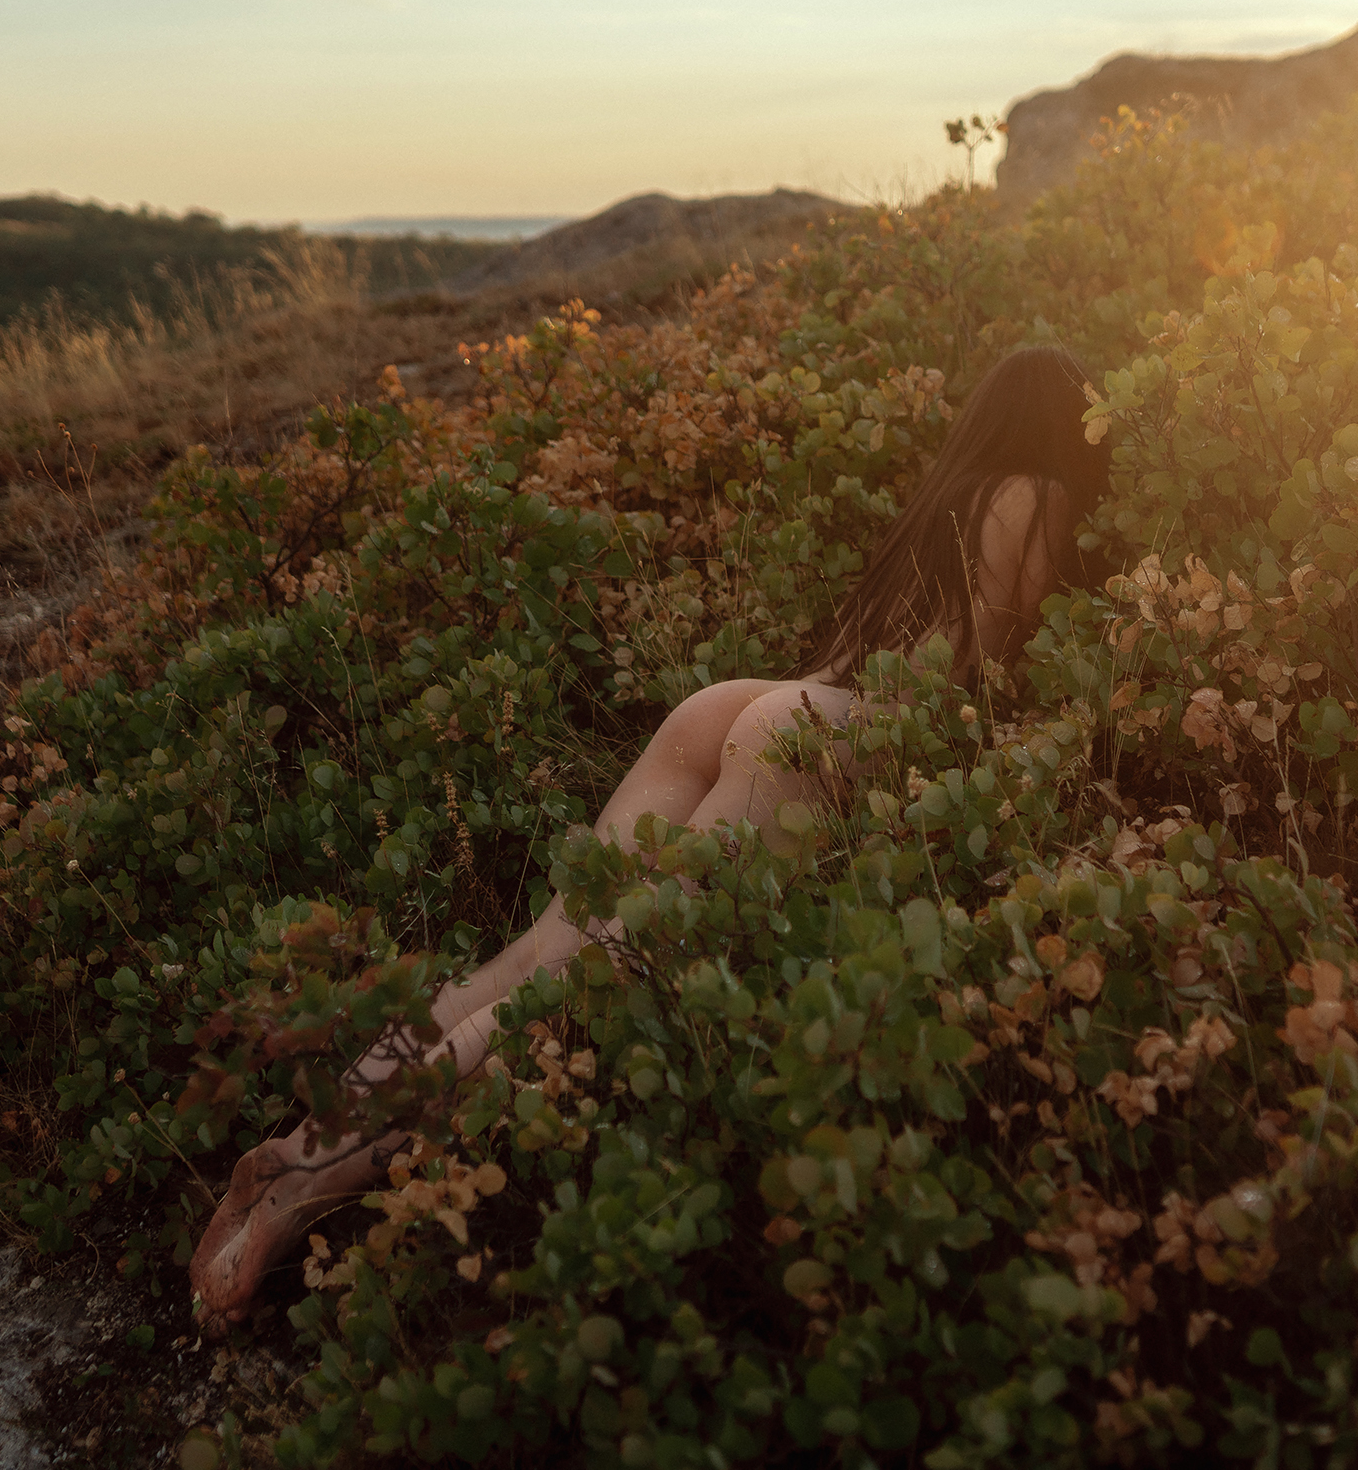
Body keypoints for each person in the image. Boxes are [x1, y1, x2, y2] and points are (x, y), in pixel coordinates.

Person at [189, 343, 1111, 1327]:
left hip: (745, 703)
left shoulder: (947, 494)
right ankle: (312, 1186)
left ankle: (309, 1134)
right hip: (827, 736)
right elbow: (1011, 665)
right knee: (603, 976)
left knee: (537, 954)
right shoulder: (1040, 494)